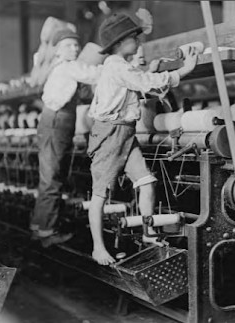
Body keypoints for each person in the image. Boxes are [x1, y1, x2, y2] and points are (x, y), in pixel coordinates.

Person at [87, 13, 198, 265]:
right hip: (110, 134)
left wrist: (154, 68)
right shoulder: (116, 66)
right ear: (119, 43)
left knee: (146, 182)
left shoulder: (120, 66)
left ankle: (148, 233)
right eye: (133, 37)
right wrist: (185, 70)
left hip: (126, 132)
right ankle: (97, 248)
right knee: (100, 194)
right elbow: (146, 82)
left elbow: (140, 79)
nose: (138, 41)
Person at [31, 27, 102, 247]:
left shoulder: (58, 67)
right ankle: (48, 232)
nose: (75, 48)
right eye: (69, 45)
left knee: (50, 177)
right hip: (57, 122)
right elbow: (95, 74)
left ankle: (40, 226)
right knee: (52, 178)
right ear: (59, 51)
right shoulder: (69, 67)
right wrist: (118, 66)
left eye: (75, 45)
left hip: (53, 121)